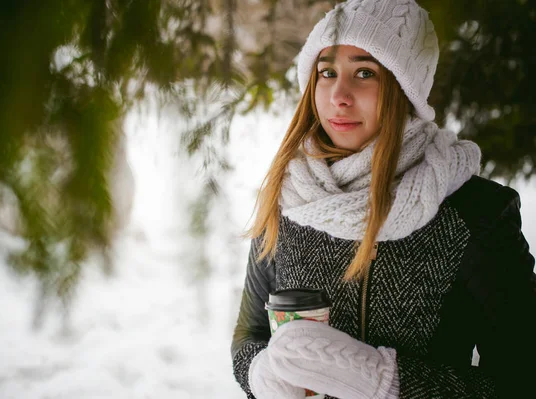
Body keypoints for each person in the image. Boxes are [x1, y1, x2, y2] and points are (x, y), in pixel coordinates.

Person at [230, 0, 536, 398]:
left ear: (405, 89)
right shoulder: (288, 197)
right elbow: (248, 335)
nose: (339, 95)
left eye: (364, 73)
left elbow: (522, 378)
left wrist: (385, 382)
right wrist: (263, 375)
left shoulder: (473, 212)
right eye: (326, 72)